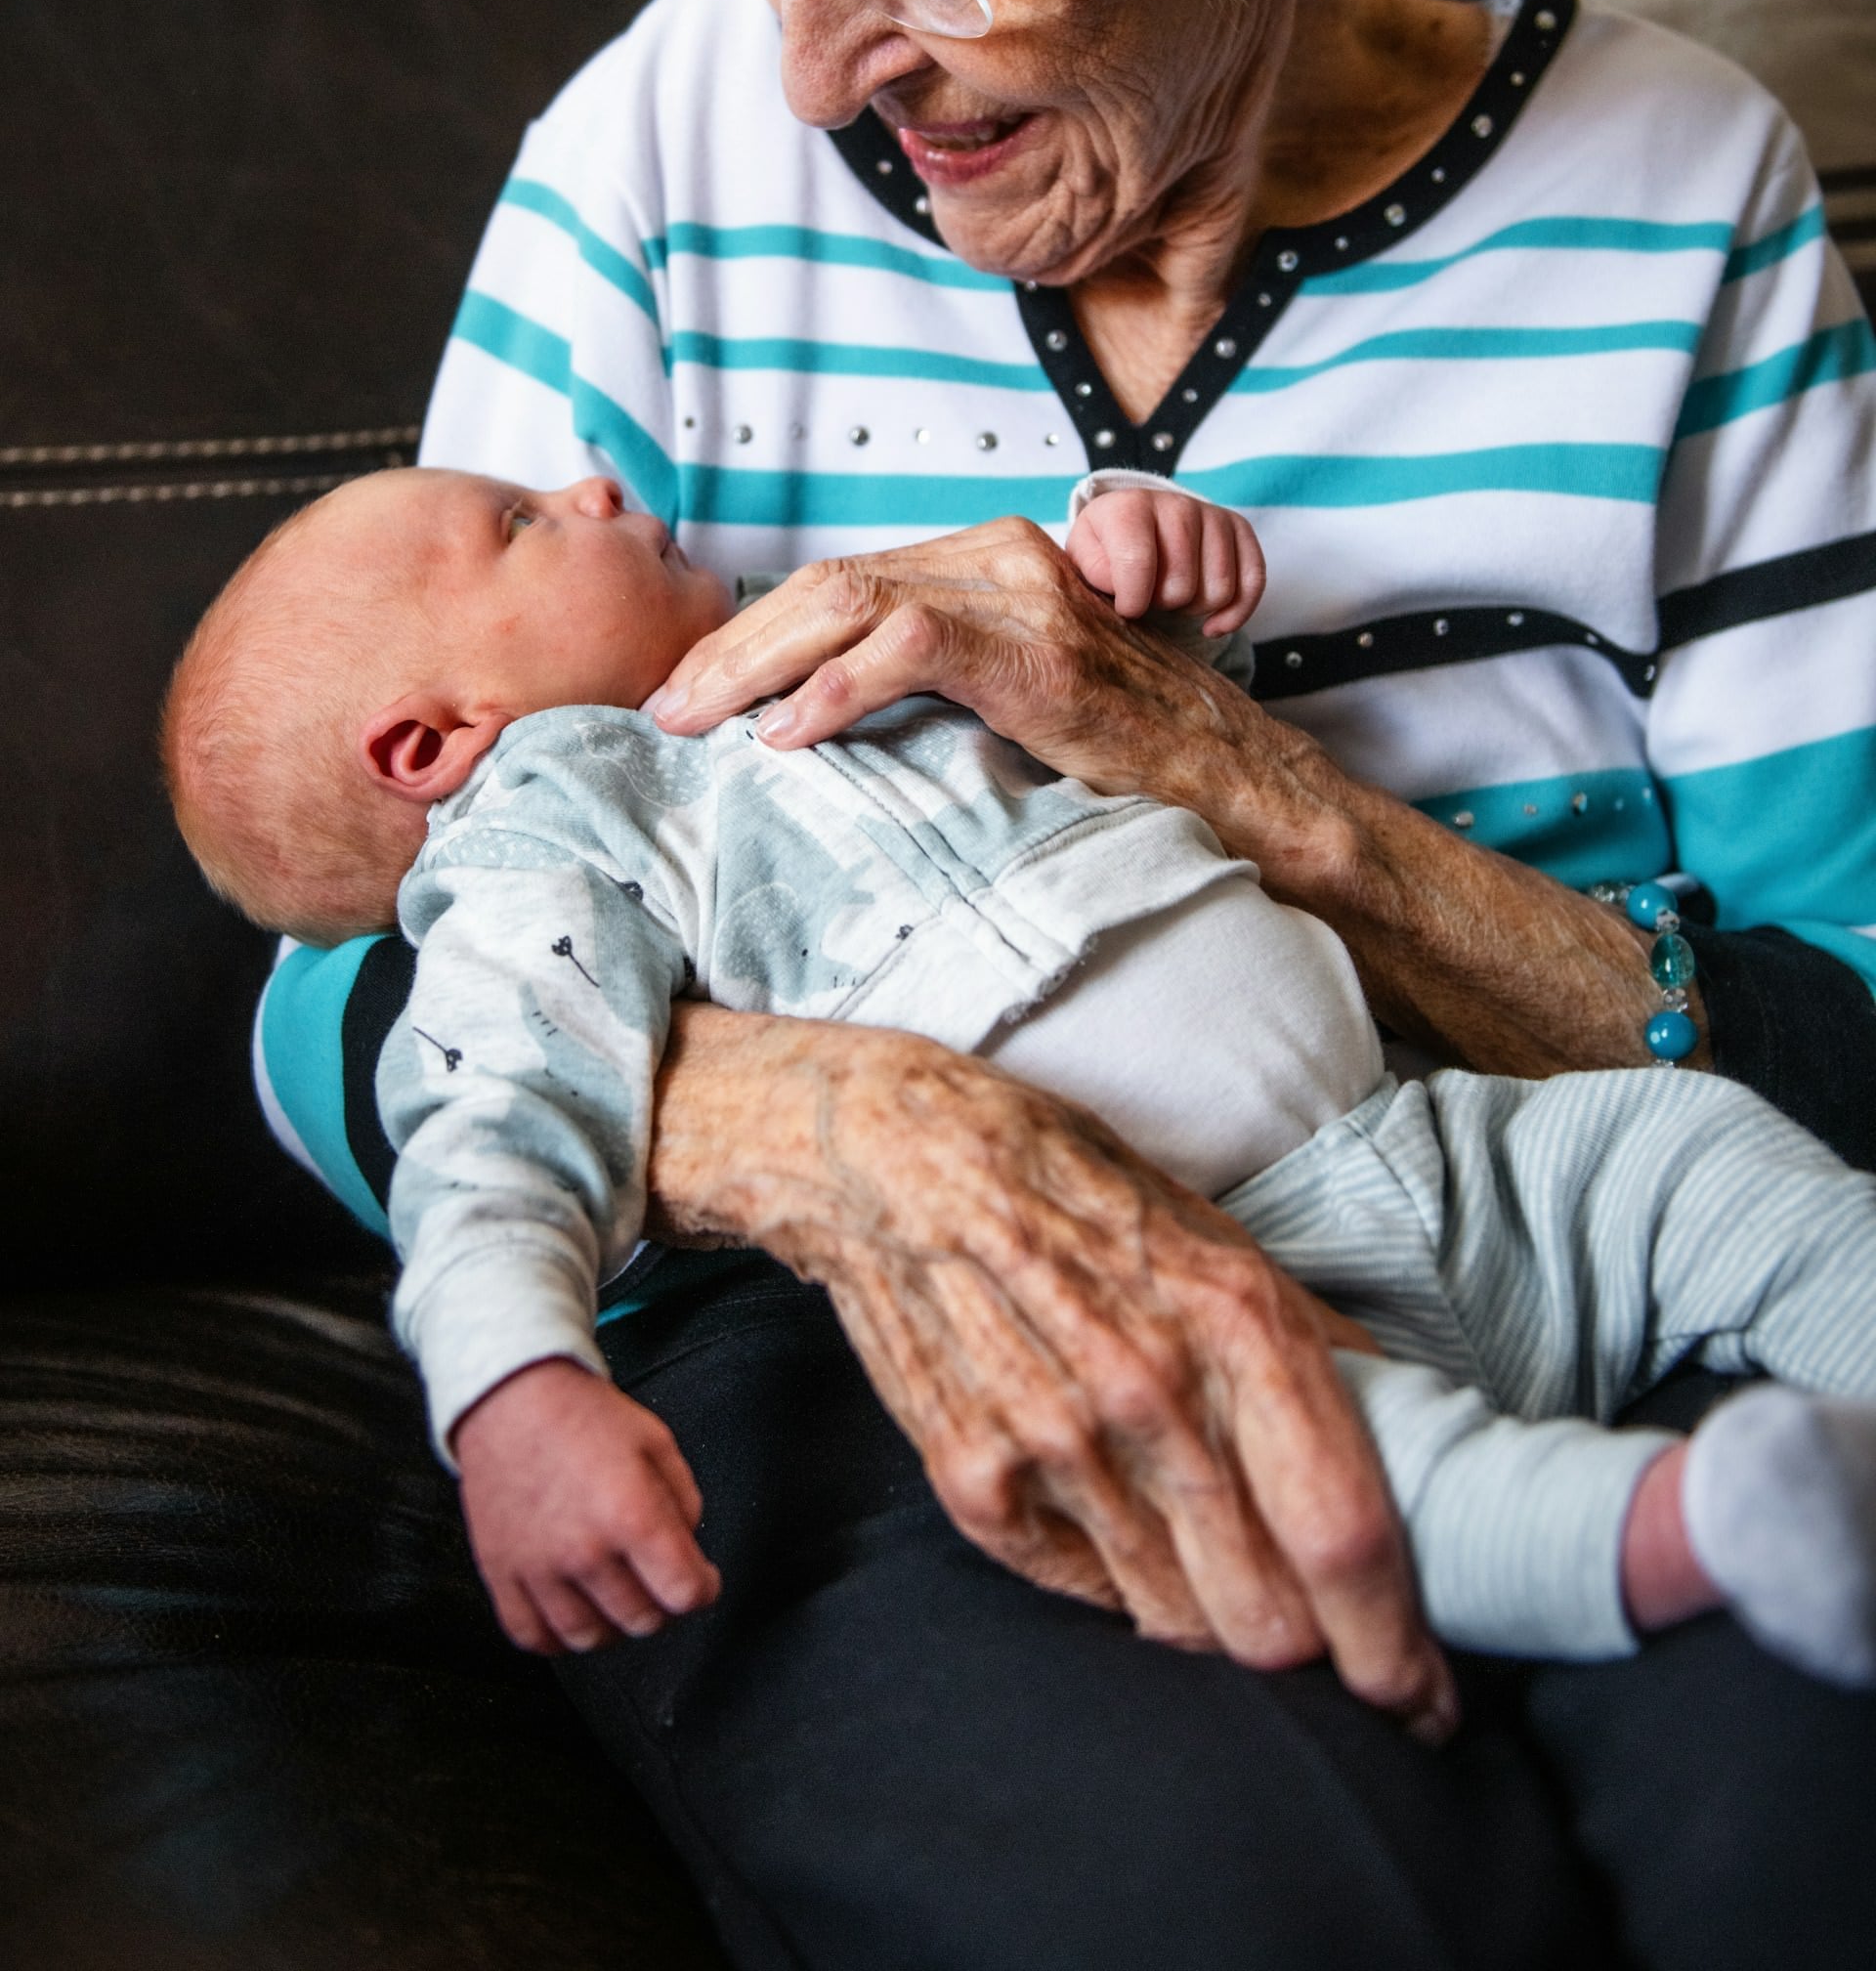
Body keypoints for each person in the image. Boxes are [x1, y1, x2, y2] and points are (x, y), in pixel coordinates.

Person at [254, 0, 1876, 1962]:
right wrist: (863, 1129)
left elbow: (1832, 1038)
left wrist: (1236, 782)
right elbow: (349, 948)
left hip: (1541, 1195)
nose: (797, 54)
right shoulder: (658, 150)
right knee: (1252, 1903)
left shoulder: (1683, 204)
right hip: (878, 1312)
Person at [173, 459, 1876, 1693]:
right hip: (1200, 1284)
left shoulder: (847, 635)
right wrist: (514, 1387)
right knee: (1342, 1483)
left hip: (1453, 1130)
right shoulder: (554, 841)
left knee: (1699, 1154)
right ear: (436, 743)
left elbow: (1137, 742)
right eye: (523, 525)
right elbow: (490, 1117)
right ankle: (1693, 1533)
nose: (598, 479)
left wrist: (1152, 592)